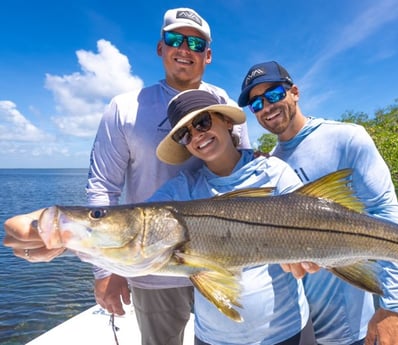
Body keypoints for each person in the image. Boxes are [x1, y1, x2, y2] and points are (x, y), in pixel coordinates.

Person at [7, 7, 250, 345]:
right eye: (174, 39)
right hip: (149, 270)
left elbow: (246, 180)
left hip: (223, 261)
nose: (184, 49)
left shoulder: (223, 103)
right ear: (160, 48)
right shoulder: (124, 108)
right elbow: (103, 187)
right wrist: (106, 272)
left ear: (207, 55)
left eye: (195, 44)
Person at [3, 89, 316, 345]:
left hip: (289, 331)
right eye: (185, 134)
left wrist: (310, 255)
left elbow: (316, 219)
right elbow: (136, 222)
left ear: (225, 122)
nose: (197, 135)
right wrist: (51, 224)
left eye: (204, 122)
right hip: (215, 339)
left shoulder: (273, 171)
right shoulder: (182, 191)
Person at [237, 61, 398, 345]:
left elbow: (386, 215)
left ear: (294, 91)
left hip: (349, 330)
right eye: (256, 104)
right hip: (299, 327)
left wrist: (396, 308)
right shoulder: (270, 164)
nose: (266, 107)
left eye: (273, 94)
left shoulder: (346, 138)